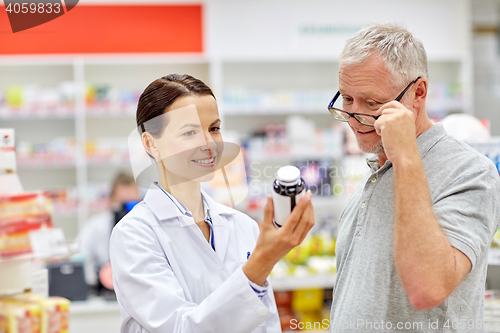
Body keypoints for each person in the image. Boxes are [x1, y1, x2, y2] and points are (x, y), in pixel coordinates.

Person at [109, 74, 315, 333]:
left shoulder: (242, 226)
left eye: (214, 129)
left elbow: (267, 325)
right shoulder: (134, 235)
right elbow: (181, 328)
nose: (209, 144)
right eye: (190, 132)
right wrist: (261, 262)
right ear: (151, 144)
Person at [327, 24, 500, 332]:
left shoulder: (470, 172)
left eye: (372, 103)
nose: (354, 117)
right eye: (347, 99)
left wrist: (406, 156)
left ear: (418, 92)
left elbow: (427, 289)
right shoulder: (375, 170)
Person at [79, 171, 140, 293]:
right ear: (111, 200)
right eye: (121, 204)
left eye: (131, 204)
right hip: (105, 288)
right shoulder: (96, 225)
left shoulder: (146, 225)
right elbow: (81, 254)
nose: (126, 211)